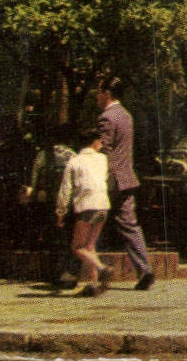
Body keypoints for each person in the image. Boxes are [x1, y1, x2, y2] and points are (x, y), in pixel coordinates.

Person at [95, 77, 153, 290]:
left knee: (87, 222)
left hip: (109, 180)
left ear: (107, 93)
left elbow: (103, 149)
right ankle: (145, 269)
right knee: (130, 225)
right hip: (127, 179)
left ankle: (72, 272)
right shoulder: (126, 115)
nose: (96, 96)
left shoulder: (106, 118)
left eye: (98, 91)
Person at [54, 127, 112, 297]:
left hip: (86, 206)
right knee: (90, 247)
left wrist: (61, 211)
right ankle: (93, 284)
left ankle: (102, 269)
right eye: (100, 141)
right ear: (94, 142)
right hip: (103, 205)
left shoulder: (74, 161)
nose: (102, 144)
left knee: (77, 248)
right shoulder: (103, 159)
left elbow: (65, 190)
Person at [23, 123, 78, 289]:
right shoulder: (72, 155)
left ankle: (52, 273)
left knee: (51, 238)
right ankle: (67, 273)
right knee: (67, 239)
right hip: (66, 203)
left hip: (46, 202)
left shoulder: (42, 155)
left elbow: (34, 179)